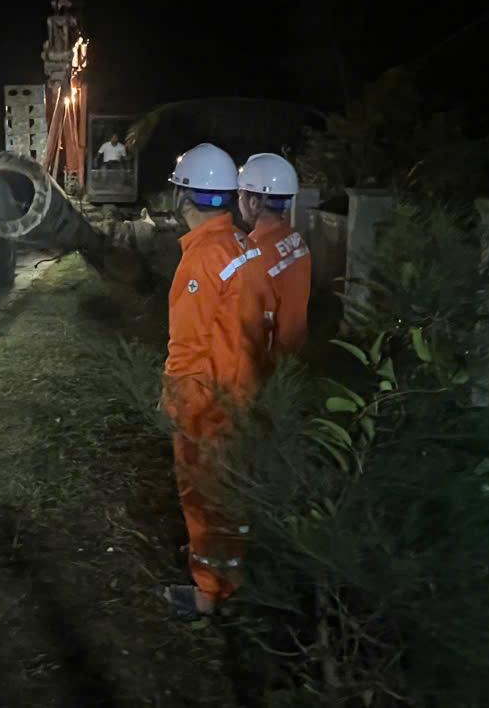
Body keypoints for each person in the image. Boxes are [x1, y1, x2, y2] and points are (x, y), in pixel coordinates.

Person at [160, 142, 270, 619]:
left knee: (202, 496)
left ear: (184, 196)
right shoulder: (242, 245)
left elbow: (187, 347)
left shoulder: (201, 259)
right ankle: (231, 576)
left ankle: (206, 592)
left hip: (209, 404)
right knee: (232, 495)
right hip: (243, 393)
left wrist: (176, 407)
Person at [238, 153, 312, 360]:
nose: (239, 201)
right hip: (293, 354)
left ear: (254, 202)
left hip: (264, 361)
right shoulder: (296, 241)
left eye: (241, 194)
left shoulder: (253, 254)